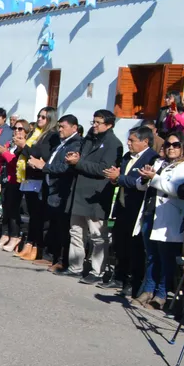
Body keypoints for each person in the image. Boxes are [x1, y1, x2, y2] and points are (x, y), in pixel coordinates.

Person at [62, 109, 123, 284]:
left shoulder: (113, 144)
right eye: (93, 122)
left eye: (98, 122)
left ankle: (97, 271)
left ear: (109, 125)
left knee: (97, 236)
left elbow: (104, 169)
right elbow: (82, 160)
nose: (94, 125)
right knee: (76, 232)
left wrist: (79, 163)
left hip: (96, 195)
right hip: (79, 192)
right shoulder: (89, 139)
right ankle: (75, 267)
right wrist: (74, 158)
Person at [132, 131, 184, 311]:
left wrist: (155, 178)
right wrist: (145, 177)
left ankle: (161, 295)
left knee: (166, 258)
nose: (171, 148)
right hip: (151, 213)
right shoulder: (160, 163)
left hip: (170, 218)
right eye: (168, 145)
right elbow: (143, 186)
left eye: (176, 145)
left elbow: (178, 190)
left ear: (183, 147)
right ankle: (147, 290)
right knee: (151, 255)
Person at [101, 126, 158, 296]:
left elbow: (140, 183)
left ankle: (133, 283)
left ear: (145, 141)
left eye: (132, 140)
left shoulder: (151, 158)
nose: (128, 143)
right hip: (122, 207)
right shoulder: (127, 157)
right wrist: (114, 179)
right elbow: (122, 179)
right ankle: (119, 277)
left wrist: (120, 178)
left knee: (135, 248)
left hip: (137, 210)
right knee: (121, 244)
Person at [28, 115, 82, 272]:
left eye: (63, 127)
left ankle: (62, 261)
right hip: (50, 188)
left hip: (62, 191)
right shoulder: (61, 143)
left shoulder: (75, 144)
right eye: (59, 126)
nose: (60, 130)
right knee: (52, 225)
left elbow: (64, 167)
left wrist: (43, 166)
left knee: (62, 228)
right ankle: (50, 256)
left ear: (74, 128)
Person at [15, 107, 59, 262]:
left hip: (40, 178)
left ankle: (37, 247)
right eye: (39, 116)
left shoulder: (51, 135)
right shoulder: (36, 134)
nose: (40, 119)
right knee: (32, 214)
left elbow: (41, 155)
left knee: (38, 216)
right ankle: (29, 244)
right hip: (29, 176)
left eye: (44, 117)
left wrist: (24, 147)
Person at [0, 119, 30, 253]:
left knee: (14, 211)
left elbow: (18, 163)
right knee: (6, 209)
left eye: (20, 129)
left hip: (17, 181)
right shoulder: (11, 144)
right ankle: (5, 234)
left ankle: (15, 236)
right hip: (6, 179)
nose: (17, 131)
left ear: (26, 132)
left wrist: (5, 153)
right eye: (15, 128)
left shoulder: (25, 147)